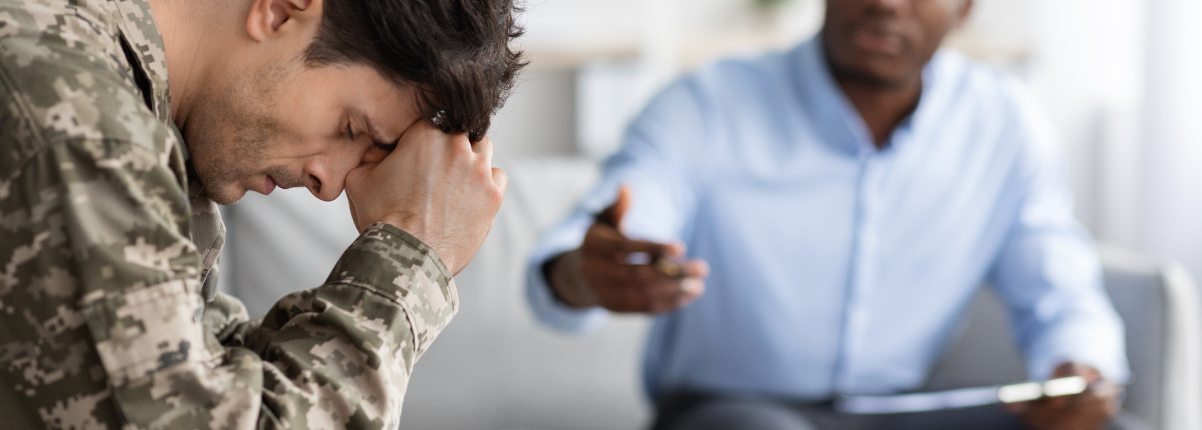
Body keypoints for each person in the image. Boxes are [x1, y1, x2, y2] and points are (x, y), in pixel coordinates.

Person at [527, 0, 1131, 429]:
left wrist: (1081, 371)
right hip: (730, 410)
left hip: (905, 411)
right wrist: (588, 271)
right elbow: (617, 222)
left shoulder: (1005, 127)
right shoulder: (705, 105)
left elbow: (1062, 295)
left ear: (967, 7)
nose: (887, 4)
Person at [0, 0, 522, 427]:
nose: (329, 185)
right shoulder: (85, 128)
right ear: (280, 12)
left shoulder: (145, 114)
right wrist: (411, 258)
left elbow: (211, 374)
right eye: (349, 129)